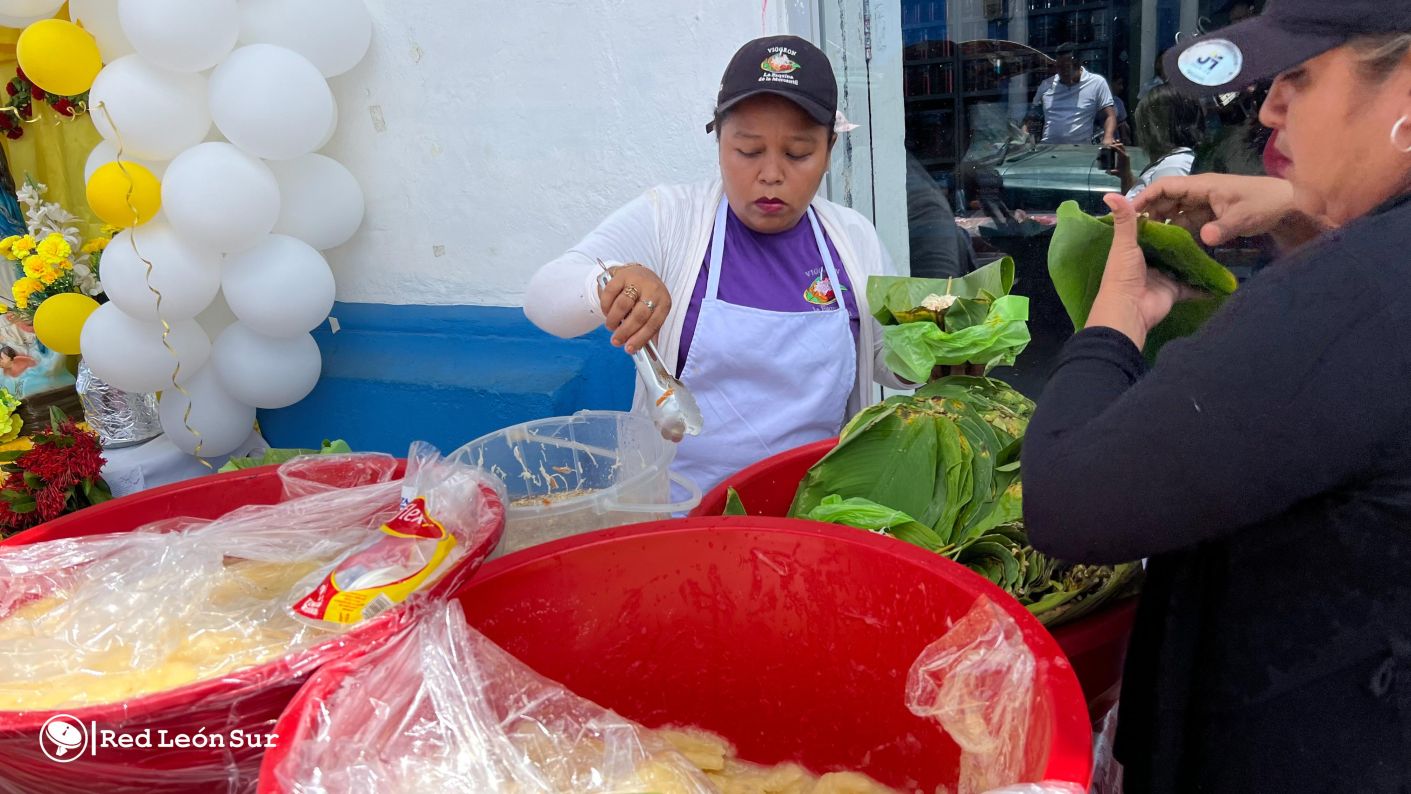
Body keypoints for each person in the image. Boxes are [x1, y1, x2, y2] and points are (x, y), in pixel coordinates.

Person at [1023, 1, 1411, 790]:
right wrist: (1309, 212)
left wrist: (1113, 318)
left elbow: (1069, 502)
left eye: (1299, 77)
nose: (1268, 106)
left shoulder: (1361, 294)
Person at [525, 36, 908, 494]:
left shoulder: (853, 239)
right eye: (747, 151)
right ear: (719, 139)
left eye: (798, 153)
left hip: (816, 509)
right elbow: (543, 300)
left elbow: (886, 360)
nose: (770, 174)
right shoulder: (670, 220)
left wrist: (942, 356)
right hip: (683, 512)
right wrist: (606, 282)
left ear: (828, 149)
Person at [1112, 83, 1204, 199]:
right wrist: (1126, 175)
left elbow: (1161, 215)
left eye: (1144, 123)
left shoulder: (1172, 166)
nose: (1140, 132)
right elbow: (1140, 203)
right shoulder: (1173, 162)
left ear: (1157, 127)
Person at [1026, 43, 1118, 146]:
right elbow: (1033, 115)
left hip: (1080, 151)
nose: (1061, 72)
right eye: (1058, 67)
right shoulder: (1046, 85)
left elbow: (1109, 116)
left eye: (1065, 68)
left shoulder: (1097, 83)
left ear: (1077, 64)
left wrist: (1108, 137)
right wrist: (1025, 134)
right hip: (1047, 149)